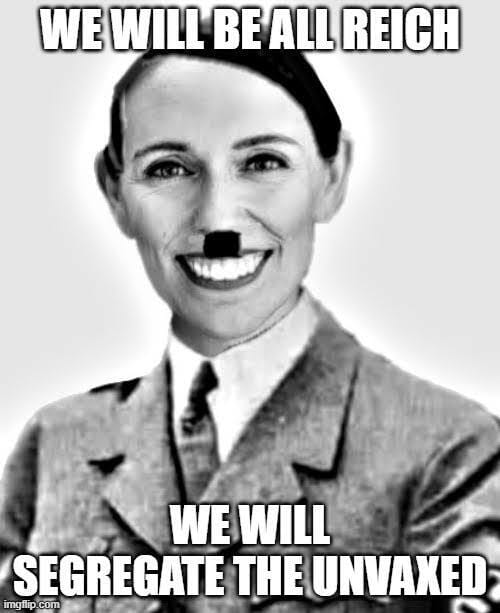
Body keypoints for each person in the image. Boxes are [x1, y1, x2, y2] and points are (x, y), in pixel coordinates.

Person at [0, 27, 499, 613]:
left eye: (263, 163)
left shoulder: (450, 452)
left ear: (332, 175)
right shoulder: (56, 445)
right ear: (115, 193)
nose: (217, 221)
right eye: (168, 169)